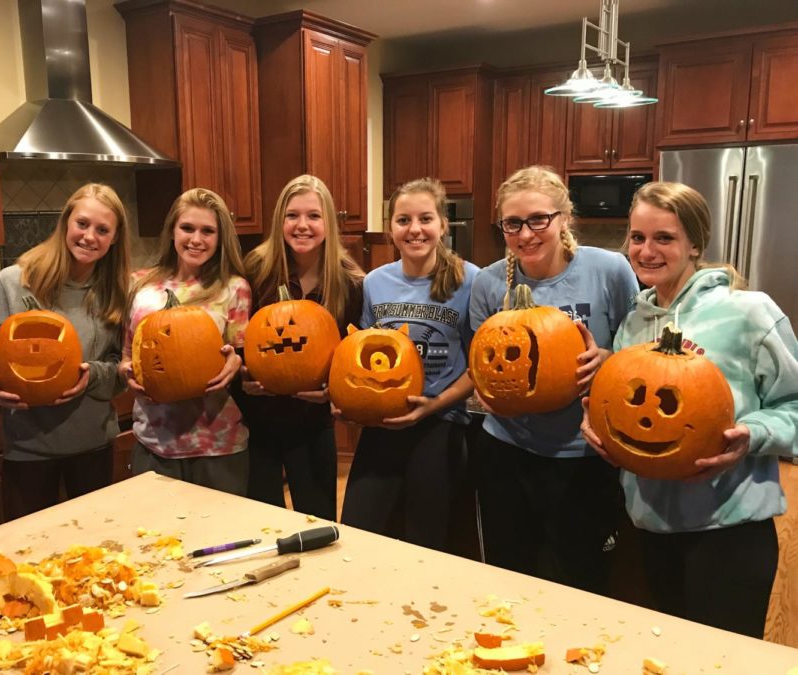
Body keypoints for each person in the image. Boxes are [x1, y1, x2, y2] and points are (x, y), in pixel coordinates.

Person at [581, 181, 798, 637]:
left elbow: (793, 404)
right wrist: (598, 422)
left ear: (695, 243)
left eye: (664, 238)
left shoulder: (749, 313)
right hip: (649, 525)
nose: (647, 250)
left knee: (725, 660)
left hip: (728, 528)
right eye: (638, 238)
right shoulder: (634, 322)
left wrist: (752, 436)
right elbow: (626, 404)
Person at [469, 165, 639, 594]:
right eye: (513, 224)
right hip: (506, 451)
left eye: (538, 219)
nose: (526, 234)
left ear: (564, 218)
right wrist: (484, 390)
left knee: (581, 578)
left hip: (583, 456)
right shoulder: (489, 283)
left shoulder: (609, 270)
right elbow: (481, 361)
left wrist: (608, 359)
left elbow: (640, 351)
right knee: (509, 575)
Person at [0, 183, 131, 519]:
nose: (89, 237)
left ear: (114, 238)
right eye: (82, 224)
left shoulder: (117, 292)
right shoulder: (14, 283)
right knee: (28, 553)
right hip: (28, 447)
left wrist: (92, 376)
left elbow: (123, 366)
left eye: (102, 230)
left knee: (95, 549)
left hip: (93, 445)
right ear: (66, 223)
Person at [339, 177, 478, 551]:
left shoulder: (470, 281)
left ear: (442, 225)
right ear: (391, 228)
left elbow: (480, 365)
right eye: (403, 220)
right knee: (358, 529)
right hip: (383, 422)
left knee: (427, 538)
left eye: (425, 219)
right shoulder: (375, 282)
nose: (415, 229)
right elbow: (364, 354)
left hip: (440, 424)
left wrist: (434, 404)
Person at [240, 175, 364, 520]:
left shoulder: (350, 282)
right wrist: (243, 377)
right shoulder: (255, 270)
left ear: (328, 223)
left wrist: (333, 390)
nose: (302, 225)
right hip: (258, 421)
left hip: (313, 424)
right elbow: (234, 338)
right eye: (292, 215)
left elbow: (355, 353)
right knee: (261, 518)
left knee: (317, 517)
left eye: (314, 216)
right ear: (280, 220)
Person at [120, 188, 251, 494]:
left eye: (208, 231)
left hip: (218, 443)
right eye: (187, 228)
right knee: (155, 538)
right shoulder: (140, 284)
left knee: (222, 538)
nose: (196, 239)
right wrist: (126, 374)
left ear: (220, 238)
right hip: (154, 441)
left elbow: (244, 355)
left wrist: (236, 362)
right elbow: (127, 354)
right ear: (172, 231)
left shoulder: (234, 288)